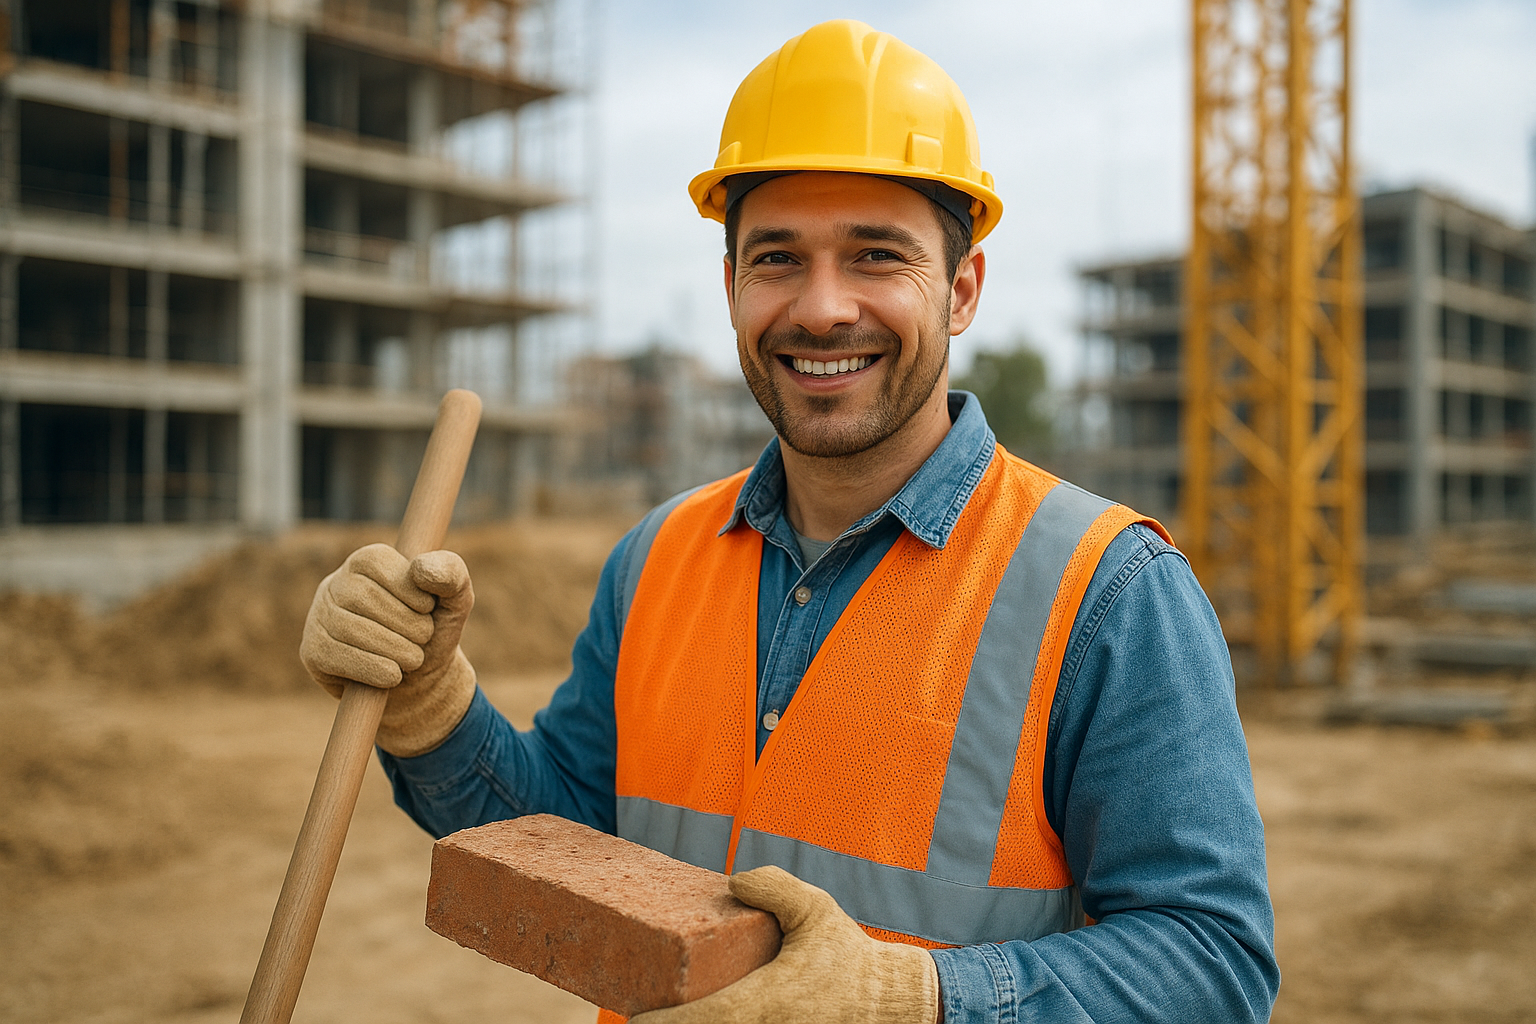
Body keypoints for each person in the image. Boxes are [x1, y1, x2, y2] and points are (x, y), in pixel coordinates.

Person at [299, 19, 1279, 1024]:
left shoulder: (1108, 593)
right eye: (777, 258)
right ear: (731, 287)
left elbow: (1212, 965)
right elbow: (569, 843)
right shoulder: (657, 558)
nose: (821, 308)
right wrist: (428, 711)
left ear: (963, 290)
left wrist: (916, 999)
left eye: (875, 256)